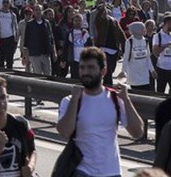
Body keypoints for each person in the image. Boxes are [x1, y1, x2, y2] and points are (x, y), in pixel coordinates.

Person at [55, 47, 145, 177]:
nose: (85, 72)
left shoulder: (115, 99)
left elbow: (137, 133)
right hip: (81, 171)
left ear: (103, 71)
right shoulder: (70, 101)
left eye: (91, 68)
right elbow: (64, 132)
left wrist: (126, 100)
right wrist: (75, 99)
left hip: (112, 172)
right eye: (82, 67)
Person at [117, 21, 156, 92]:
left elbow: (148, 57)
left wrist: (152, 70)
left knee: (146, 92)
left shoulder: (146, 41)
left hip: (144, 74)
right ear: (137, 30)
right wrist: (122, 71)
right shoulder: (130, 42)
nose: (145, 30)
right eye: (143, 28)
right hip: (134, 74)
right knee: (136, 93)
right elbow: (126, 58)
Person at [152, 15, 171, 95]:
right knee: (160, 92)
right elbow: (155, 52)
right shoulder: (157, 36)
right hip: (162, 69)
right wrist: (165, 46)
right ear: (167, 24)